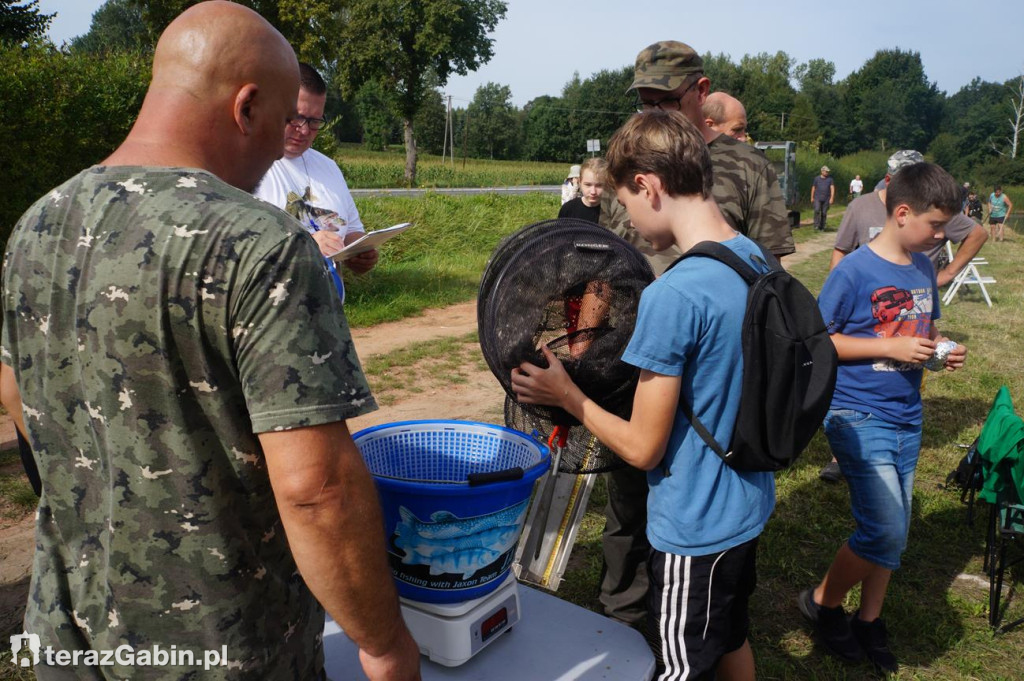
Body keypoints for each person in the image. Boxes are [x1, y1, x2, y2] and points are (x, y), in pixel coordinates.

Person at [0, 3, 421, 680]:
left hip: (74, 636)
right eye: (286, 120)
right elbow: (316, 488)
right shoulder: (259, 245)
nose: (289, 137)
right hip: (221, 644)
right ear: (247, 106)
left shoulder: (38, 223)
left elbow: (17, 391)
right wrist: (382, 641)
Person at [512, 110, 774, 681]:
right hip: (748, 501)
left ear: (647, 187)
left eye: (623, 203)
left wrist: (566, 395)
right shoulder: (751, 258)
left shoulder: (674, 295)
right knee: (730, 636)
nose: (623, 220)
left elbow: (643, 449)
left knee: (681, 666)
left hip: (695, 525)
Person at [595, 40, 792, 633]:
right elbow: (605, 264)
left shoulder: (746, 167)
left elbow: (772, 280)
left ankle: (690, 612)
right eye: (643, 101)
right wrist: (587, 338)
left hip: (711, 369)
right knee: (630, 495)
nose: (651, 111)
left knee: (682, 479)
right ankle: (628, 617)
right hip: (641, 358)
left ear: (701, 93)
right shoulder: (627, 165)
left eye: (666, 99)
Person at [798, 163, 967, 675]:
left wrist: (939, 351)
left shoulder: (921, 268)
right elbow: (819, 341)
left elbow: (923, 327)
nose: (943, 236)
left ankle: (869, 619)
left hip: (906, 414)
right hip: (856, 411)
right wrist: (889, 344)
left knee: (895, 528)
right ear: (901, 213)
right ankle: (823, 604)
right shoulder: (852, 271)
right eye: (936, 226)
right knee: (885, 528)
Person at [255, 62, 377, 303]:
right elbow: (238, 246)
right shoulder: (247, 163)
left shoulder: (328, 168)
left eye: (314, 122)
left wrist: (360, 253)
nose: (303, 130)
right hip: (272, 322)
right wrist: (307, 245)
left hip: (328, 322)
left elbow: (351, 230)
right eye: (297, 117)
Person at [831, 150, 988, 287]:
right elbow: (841, 251)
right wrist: (836, 287)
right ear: (888, 180)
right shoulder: (860, 206)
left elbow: (977, 234)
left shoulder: (935, 210)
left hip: (919, 295)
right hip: (870, 297)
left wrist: (947, 274)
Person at [558, 157, 606, 222]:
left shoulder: (612, 212)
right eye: (588, 185)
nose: (593, 191)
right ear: (580, 182)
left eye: (599, 185)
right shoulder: (568, 210)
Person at [811, 165, 835, 231]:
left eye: (828, 172)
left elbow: (832, 188)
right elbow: (813, 188)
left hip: (826, 198)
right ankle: (816, 225)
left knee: (824, 213)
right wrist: (812, 197)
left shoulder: (830, 179)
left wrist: (832, 198)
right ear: (822, 171)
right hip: (817, 198)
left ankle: (822, 226)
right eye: (826, 171)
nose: (827, 173)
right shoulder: (817, 178)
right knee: (817, 210)